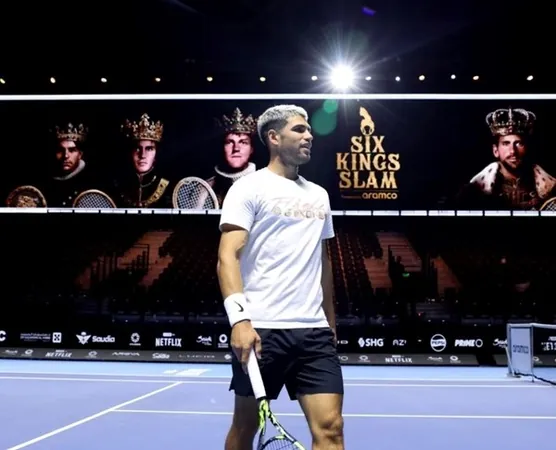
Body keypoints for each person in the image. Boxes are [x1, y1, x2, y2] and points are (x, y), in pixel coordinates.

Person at [216, 104, 344, 450]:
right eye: (299, 130)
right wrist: (240, 321)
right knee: (245, 427)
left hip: (313, 332)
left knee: (331, 428)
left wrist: (330, 321)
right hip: (262, 331)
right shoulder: (248, 188)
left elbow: (323, 261)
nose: (309, 136)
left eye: (309, 130)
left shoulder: (319, 195)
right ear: (273, 137)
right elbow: (228, 256)